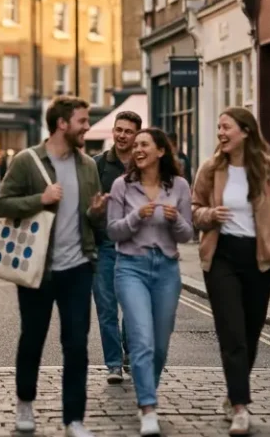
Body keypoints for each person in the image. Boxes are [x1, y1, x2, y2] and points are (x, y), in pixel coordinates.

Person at [0, 95, 104, 437]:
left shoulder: (88, 165)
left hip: (77, 268)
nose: (87, 126)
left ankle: (74, 419)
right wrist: (39, 200)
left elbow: (90, 217)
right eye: (82, 121)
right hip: (37, 268)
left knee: (77, 344)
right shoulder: (27, 162)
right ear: (62, 124)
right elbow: (2, 204)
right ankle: (25, 403)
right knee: (33, 338)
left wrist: (97, 212)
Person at [191, 107, 270, 436]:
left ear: (246, 131)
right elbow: (193, 209)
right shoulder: (211, 168)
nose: (221, 132)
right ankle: (240, 407)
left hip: (259, 258)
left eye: (226, 127)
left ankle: (234, 393)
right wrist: (209, 214)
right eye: (219, 127)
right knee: (232, 333)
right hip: (221, 257)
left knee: (250, 332)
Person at [106, 127, 194, 437]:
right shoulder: (122, 186)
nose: (137, 149)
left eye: (144, 144)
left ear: (160, 151)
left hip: (167, 270)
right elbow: (113, 231)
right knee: (141, 340)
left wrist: (176, 220)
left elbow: (187, 234)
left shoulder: (180, 186)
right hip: (130, 267)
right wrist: (136, 217)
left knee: (159, 344)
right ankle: (148, 407)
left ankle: (147, 391)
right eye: (135, 145)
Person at [93, 110, 141, 385]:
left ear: (137, 135)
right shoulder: (97, 165)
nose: (122, 135)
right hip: (105, 247)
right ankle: (113, 364)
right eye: (118, 129)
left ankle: (130, 355)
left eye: (128, 131)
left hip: (137, 247)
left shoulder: (144, 164)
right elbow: (87, 207)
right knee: (107, 309)